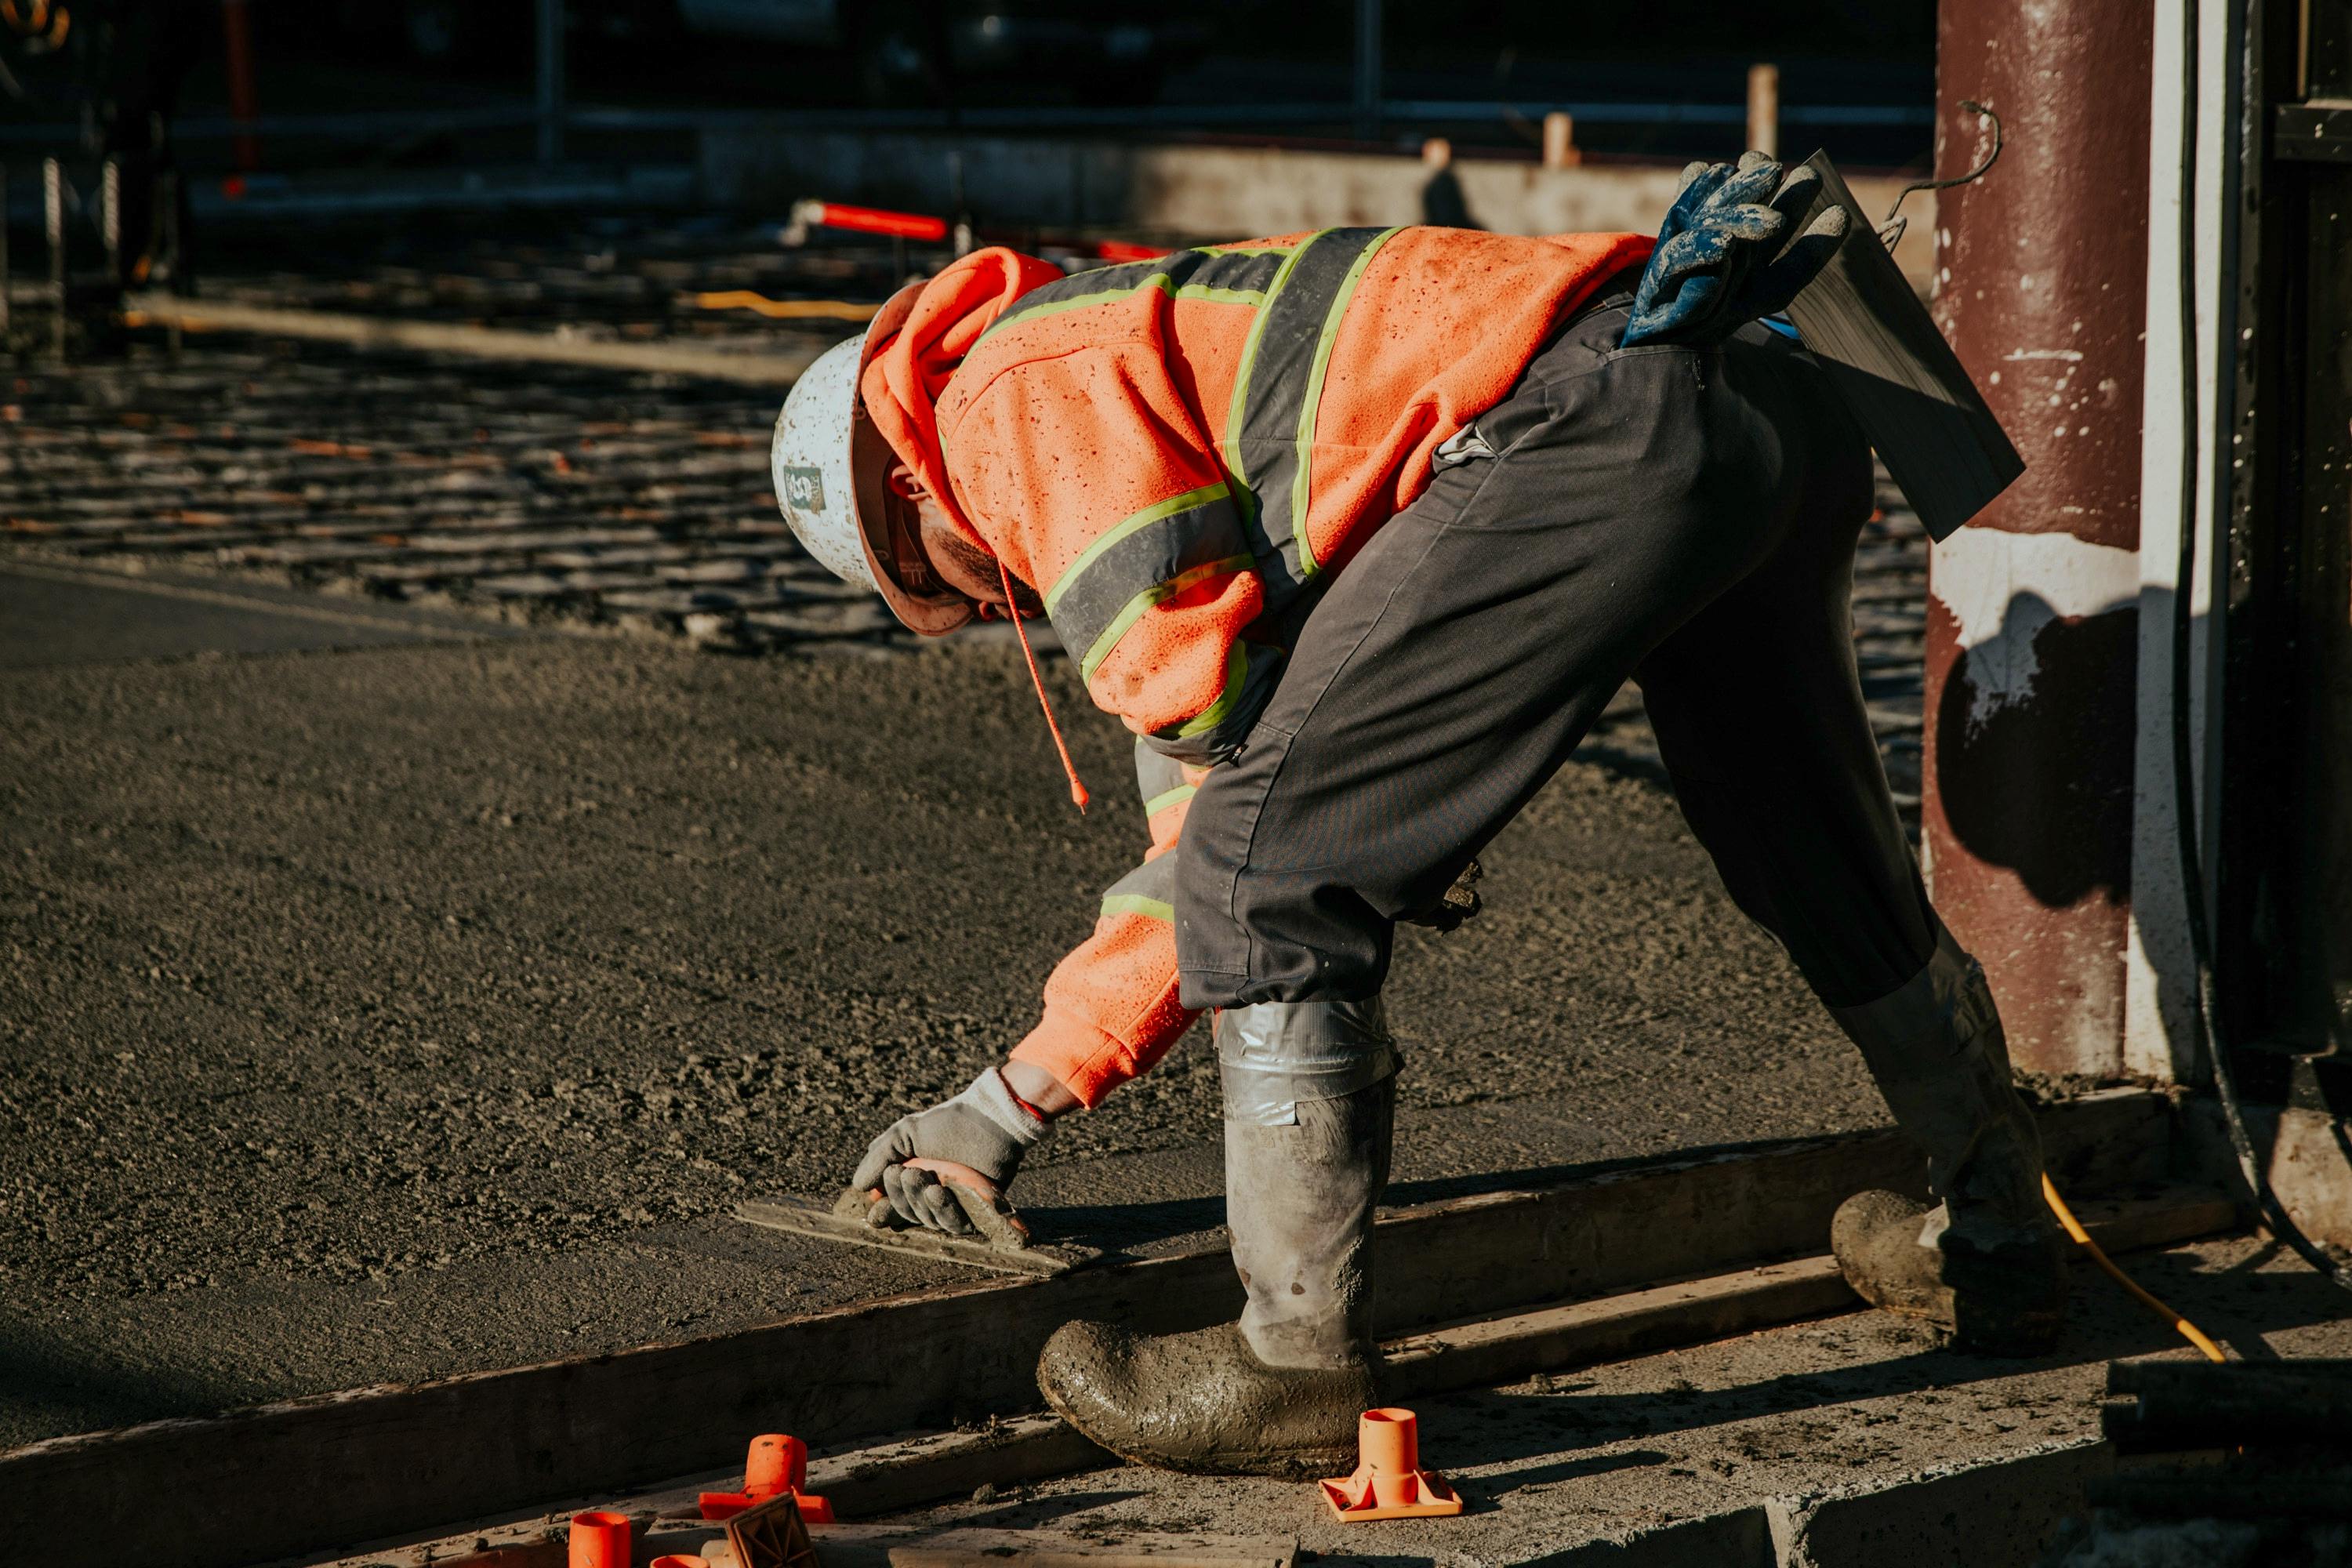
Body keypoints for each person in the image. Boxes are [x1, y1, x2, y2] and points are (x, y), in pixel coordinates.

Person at [766, 154, 2069, 1477]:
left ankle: (1292, 1364)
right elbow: (1231, 780)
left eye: (941, 585)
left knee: (1272, 879)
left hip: (1601, 418)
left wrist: (1004, 1104)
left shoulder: (1007, 410)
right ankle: (2000, 1229)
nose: (993, 607)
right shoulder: (1137, 352)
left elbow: (1232, 829)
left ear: (907, 492)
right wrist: (1012, 1104)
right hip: (1759, 394)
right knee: (1811, 849)